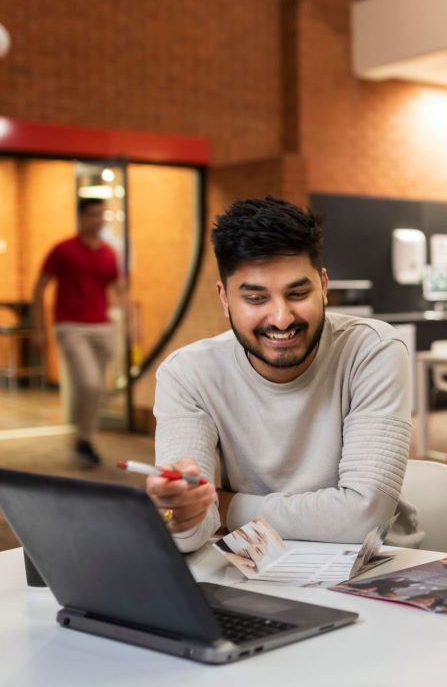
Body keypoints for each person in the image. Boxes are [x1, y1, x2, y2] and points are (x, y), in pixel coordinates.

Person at [144, 196, 422, 551]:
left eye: (298, 293)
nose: (281, 318)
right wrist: (181, 516)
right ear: (224, 297)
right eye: (256, 299)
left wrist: (224, 504)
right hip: (249, 569)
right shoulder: (187, 374)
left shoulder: (372, 350)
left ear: (323, 286)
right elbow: (192, 529)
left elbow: (364, 517)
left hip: (374, 570)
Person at [31, 198, 135, 468]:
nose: (99, 220)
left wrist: (132, 322)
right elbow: (40, 287)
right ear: (81, 217)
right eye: (93, 215)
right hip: (70, 325)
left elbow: (120, 289)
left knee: (97, 385)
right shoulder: (63, 250)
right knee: (88, 383)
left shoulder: (108, 253)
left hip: (101, 325)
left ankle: (84, 438)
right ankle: (84, 436)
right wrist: (38, 327)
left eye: (102, 215)